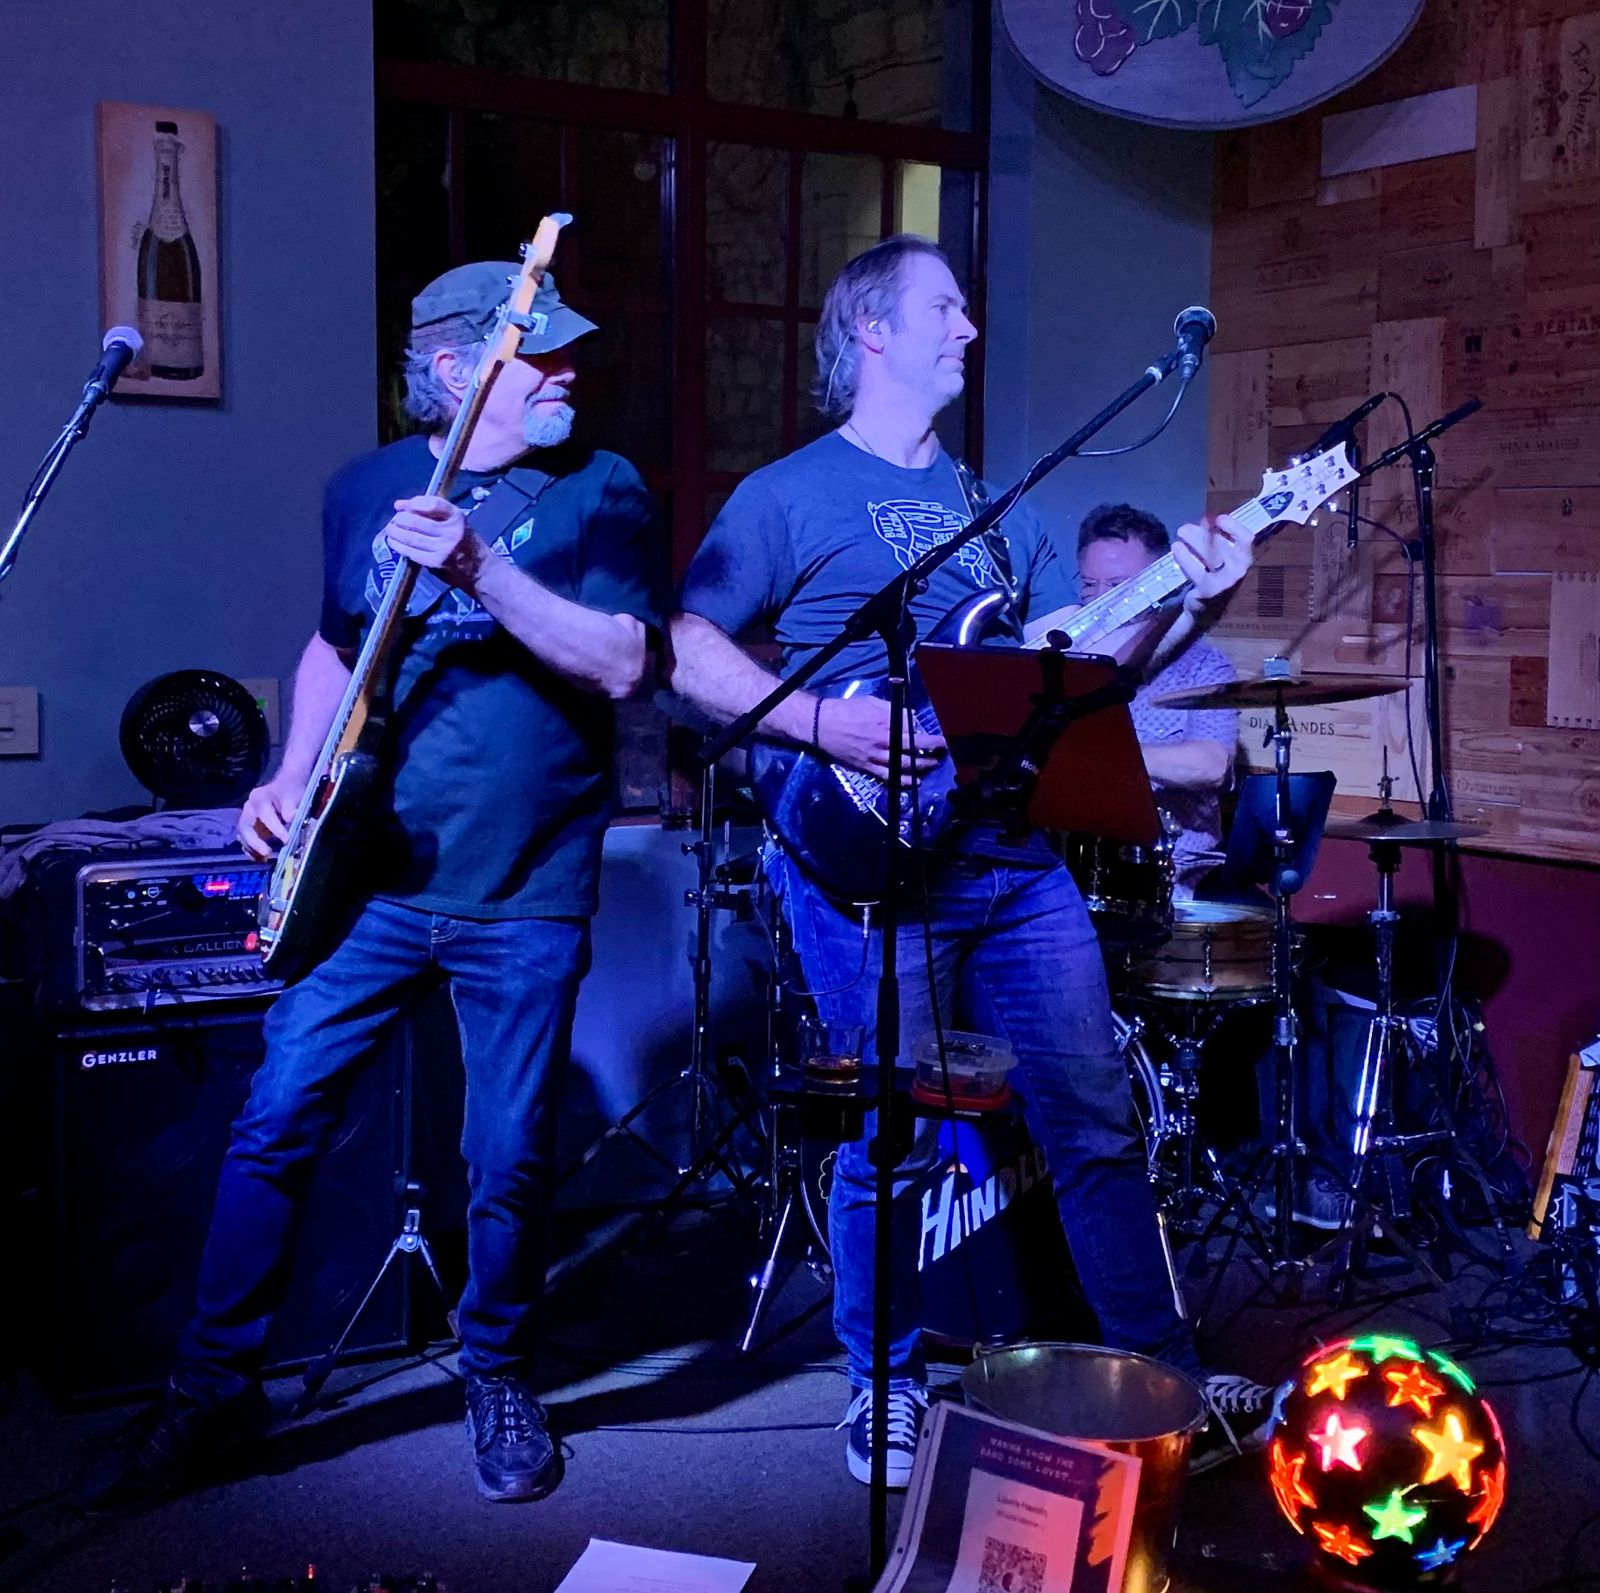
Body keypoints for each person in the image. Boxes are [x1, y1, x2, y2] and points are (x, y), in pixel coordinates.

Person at [667, 234, 1287, 1488]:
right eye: (943, 308)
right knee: (887, 1135)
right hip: (864, 855)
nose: (968, 327)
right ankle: (883, 1386)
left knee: (1093, 1122)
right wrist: (823, 721)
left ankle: (1164, 1374)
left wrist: (1195, 600)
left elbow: (1085, 672)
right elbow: (684, 648)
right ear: (872, 330)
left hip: (1012, 856)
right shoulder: (787, 495)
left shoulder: (997, 515)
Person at [78, 262, 661, 1509]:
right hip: (370, 879)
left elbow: (621, 663)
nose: (569, 371)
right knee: (275, 1120)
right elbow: (333, 642)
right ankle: (211, 1393)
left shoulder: (601, 487)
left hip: (525, 887)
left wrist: (480, 571)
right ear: (458, 370)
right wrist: (290, 775)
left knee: (505, 1154)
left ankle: (498, 1374)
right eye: (543, 353)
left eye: (571, 352)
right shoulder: (364, 487)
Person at [1075, 502, 1238, 897]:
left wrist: (1097, 755)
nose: (1101, 601)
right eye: (1089, 585)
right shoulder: (1069, 660)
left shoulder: (1204, 666)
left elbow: (1211, 765)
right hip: (1074, 871)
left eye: (1119, 587)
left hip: (1172, 876)